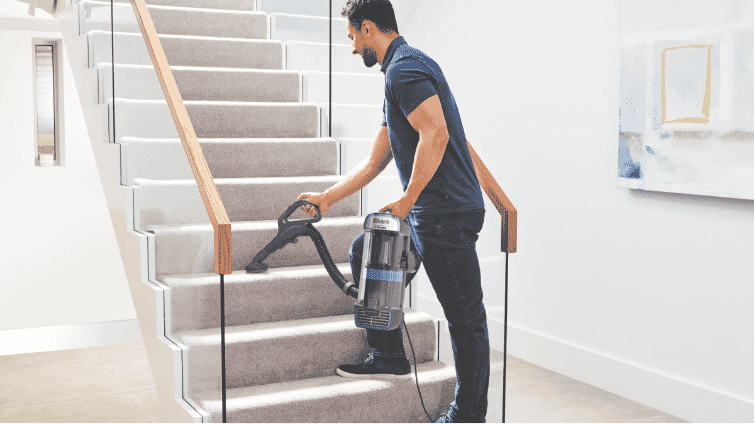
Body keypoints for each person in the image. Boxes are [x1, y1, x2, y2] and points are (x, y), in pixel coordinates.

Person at [297, 1, 496, 422]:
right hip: (429, 211)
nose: (352, 48)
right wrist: (328, 199)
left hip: (445, 213)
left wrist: (406, 201)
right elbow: (375, 161)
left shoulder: (405, 70)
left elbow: (436, 135)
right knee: (363, 254)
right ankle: (387, 353)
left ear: (367, 28)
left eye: (352, 37)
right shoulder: (397, 75)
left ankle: (469, 416)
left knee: (465, 322)